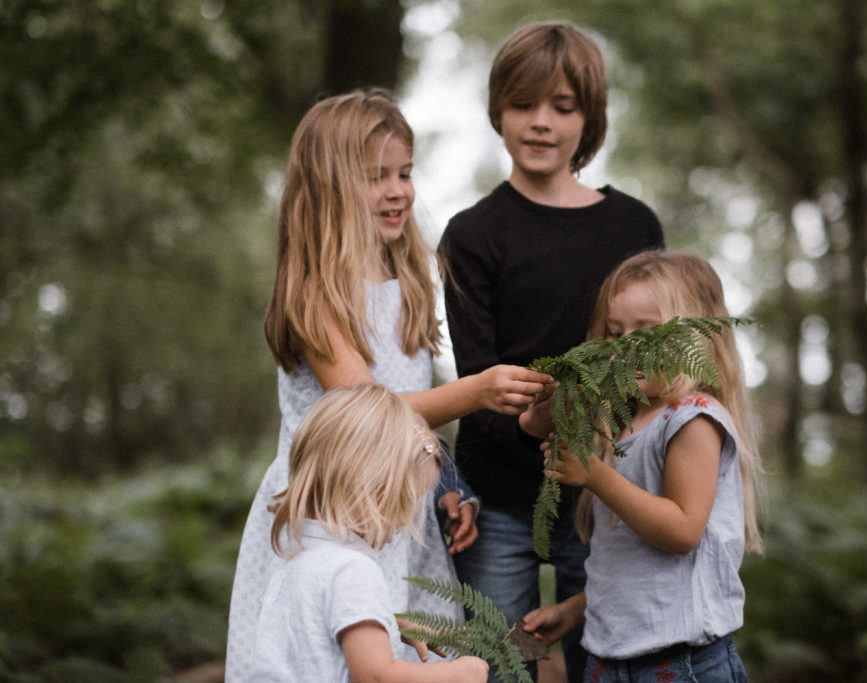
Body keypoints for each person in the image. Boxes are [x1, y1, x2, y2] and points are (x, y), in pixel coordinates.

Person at [227, 88, 553, 681]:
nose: (398, 190)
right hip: (332, 512)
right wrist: (475, 392)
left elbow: (414, 425)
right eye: (376, 177)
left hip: (397, 511)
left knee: (406, 653)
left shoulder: (408, 283)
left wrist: (444, 484)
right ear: (329, 188)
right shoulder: (317, 294)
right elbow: (370, 411)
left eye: (404, 173)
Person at [438, 21, 664, 682]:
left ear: (589, 119)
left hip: (604, 497)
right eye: (523, 104)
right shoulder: (472, 235)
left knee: (606, 663)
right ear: (498, 111)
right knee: (505, 663)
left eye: (562, 107)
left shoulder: (634, 227)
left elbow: (651, 363)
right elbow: (475, 380)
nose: (540, 122)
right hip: (498, 503)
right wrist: (529, 425)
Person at [521, 250, 764, 682]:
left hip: (682, 663)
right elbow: (635, 566)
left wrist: (596, 476)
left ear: (694, 339)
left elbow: (682, 532)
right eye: (614, 334)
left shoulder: (692, 417)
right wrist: (576, 610)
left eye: (646, 332)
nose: (626, 347)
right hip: (608, 659)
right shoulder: (618, 422)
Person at [251, 384, 490, 682]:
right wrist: (457, 673)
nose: (405, 522)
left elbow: (316, 625)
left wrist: (389, 622)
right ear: (371, 490)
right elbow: (376, 676)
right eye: (406, 503)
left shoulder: (296, 552)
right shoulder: (352, 570)